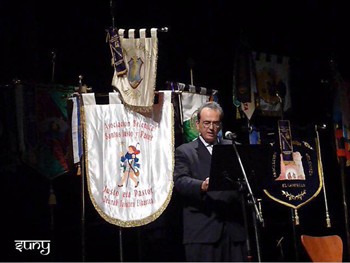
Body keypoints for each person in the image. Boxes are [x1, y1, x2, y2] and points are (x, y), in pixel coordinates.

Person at [174, 101, 248, 262]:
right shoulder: (185, 152)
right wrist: (202, 185)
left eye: (215, 123)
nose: (211, 128)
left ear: (220, 125)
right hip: (203, 231)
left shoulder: (233, 148)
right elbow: (180, 181)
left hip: (233, 231)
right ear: (198, 124)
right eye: (207, 123)